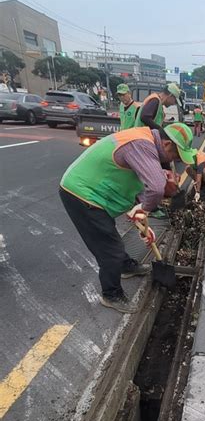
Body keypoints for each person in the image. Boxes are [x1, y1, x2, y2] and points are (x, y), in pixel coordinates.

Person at [59, 123, 195, 314]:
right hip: (81, 194)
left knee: (108, 235)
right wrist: (144, 209)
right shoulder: (141, 144)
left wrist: (143, 223)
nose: (174, 161)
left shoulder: (146, 142)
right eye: (175, 155)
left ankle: (124, 267)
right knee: (109, 247)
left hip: (95, 194)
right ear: (166, 145)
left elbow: (139, 185)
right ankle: (111, 294)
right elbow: (155, 188)